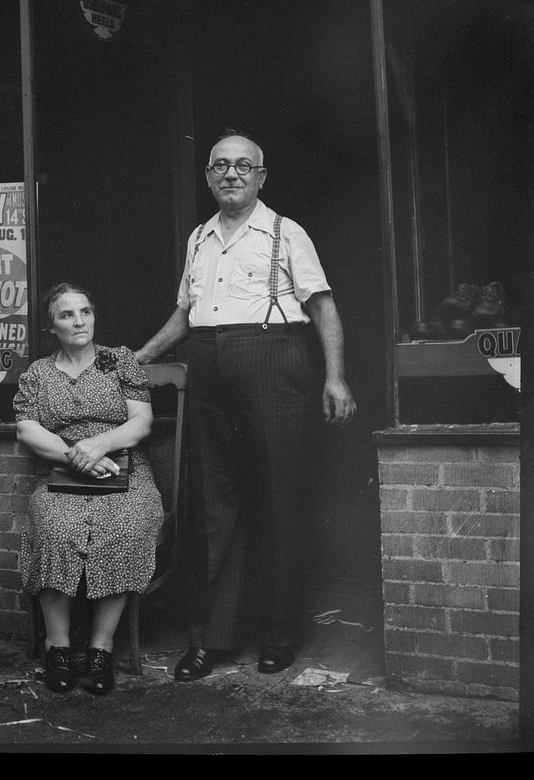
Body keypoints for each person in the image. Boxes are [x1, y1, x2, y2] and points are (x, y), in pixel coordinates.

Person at [134, 128, 356, 680]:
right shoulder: (199, 238)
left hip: (274, 364)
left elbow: (323, 309)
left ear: (261, 176)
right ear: (208, 176)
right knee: (214, 506)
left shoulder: (285, 232)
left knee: (280, 498)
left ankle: (279, 635)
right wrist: (139, 356)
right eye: (220, 166)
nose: (231, 174)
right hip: (207, 366)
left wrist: (336, 379)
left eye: (243, 166)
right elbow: (185, 316)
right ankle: (212, 639)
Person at [14, 283, 164, 695]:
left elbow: (141, 422)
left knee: (124, 529)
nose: (79, 321)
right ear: (51, 326)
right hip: (63, 474)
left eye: (85, 311)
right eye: (67, 315)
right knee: (54, 530)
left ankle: (101, 650)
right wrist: (75, 457)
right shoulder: (38, 374)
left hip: (125, 473)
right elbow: (27, 429)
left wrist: (98, 446)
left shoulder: (119, 361)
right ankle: (57, 647)